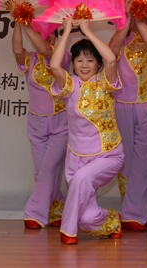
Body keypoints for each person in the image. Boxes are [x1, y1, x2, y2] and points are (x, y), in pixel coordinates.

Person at [50, 17, 124, 244]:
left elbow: (111, 58)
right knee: (87, 218)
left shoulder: (105, 82)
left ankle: (67, 231)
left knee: (83, 178)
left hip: (108, 155)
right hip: (76, 158)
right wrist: (65, 32)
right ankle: (111, 221)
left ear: (97, 65)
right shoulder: (70, 85)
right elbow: (54, 66)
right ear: (73, 64)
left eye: (90, 60)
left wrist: (87, 31)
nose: (84, 65)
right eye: (79, 60)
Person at [108, 13, 147, 231]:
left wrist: (139, 18)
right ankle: (131, 210)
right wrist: (128, 18)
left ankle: (134, 215)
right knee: (126, 159)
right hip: (121, 104)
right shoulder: (121, 37)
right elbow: (111, 52)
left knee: (143, 160)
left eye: (143, 16)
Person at [12, 23, 68, 230]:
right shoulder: (31, 60)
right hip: (36, 123)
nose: (47, 37)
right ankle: (57, 207)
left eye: (51, 34)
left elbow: (45, 51)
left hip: (60, 123)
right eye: (43, 34)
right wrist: (18, 23)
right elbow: (17, 50)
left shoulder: (62, 57)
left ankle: (35, 214)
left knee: (49, 168)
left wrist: (27, 25)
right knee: (42, 171)